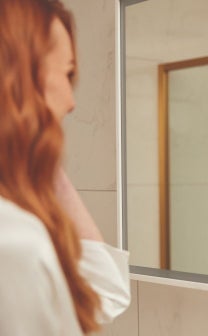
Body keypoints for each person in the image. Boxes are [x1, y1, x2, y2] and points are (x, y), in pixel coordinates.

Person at [0, 0, 130, 334]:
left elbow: (101, 294)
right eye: (67, 72)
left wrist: (37, 164)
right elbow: (105, 296)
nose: (72, 102)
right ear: (20, 79)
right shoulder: (14, 241)